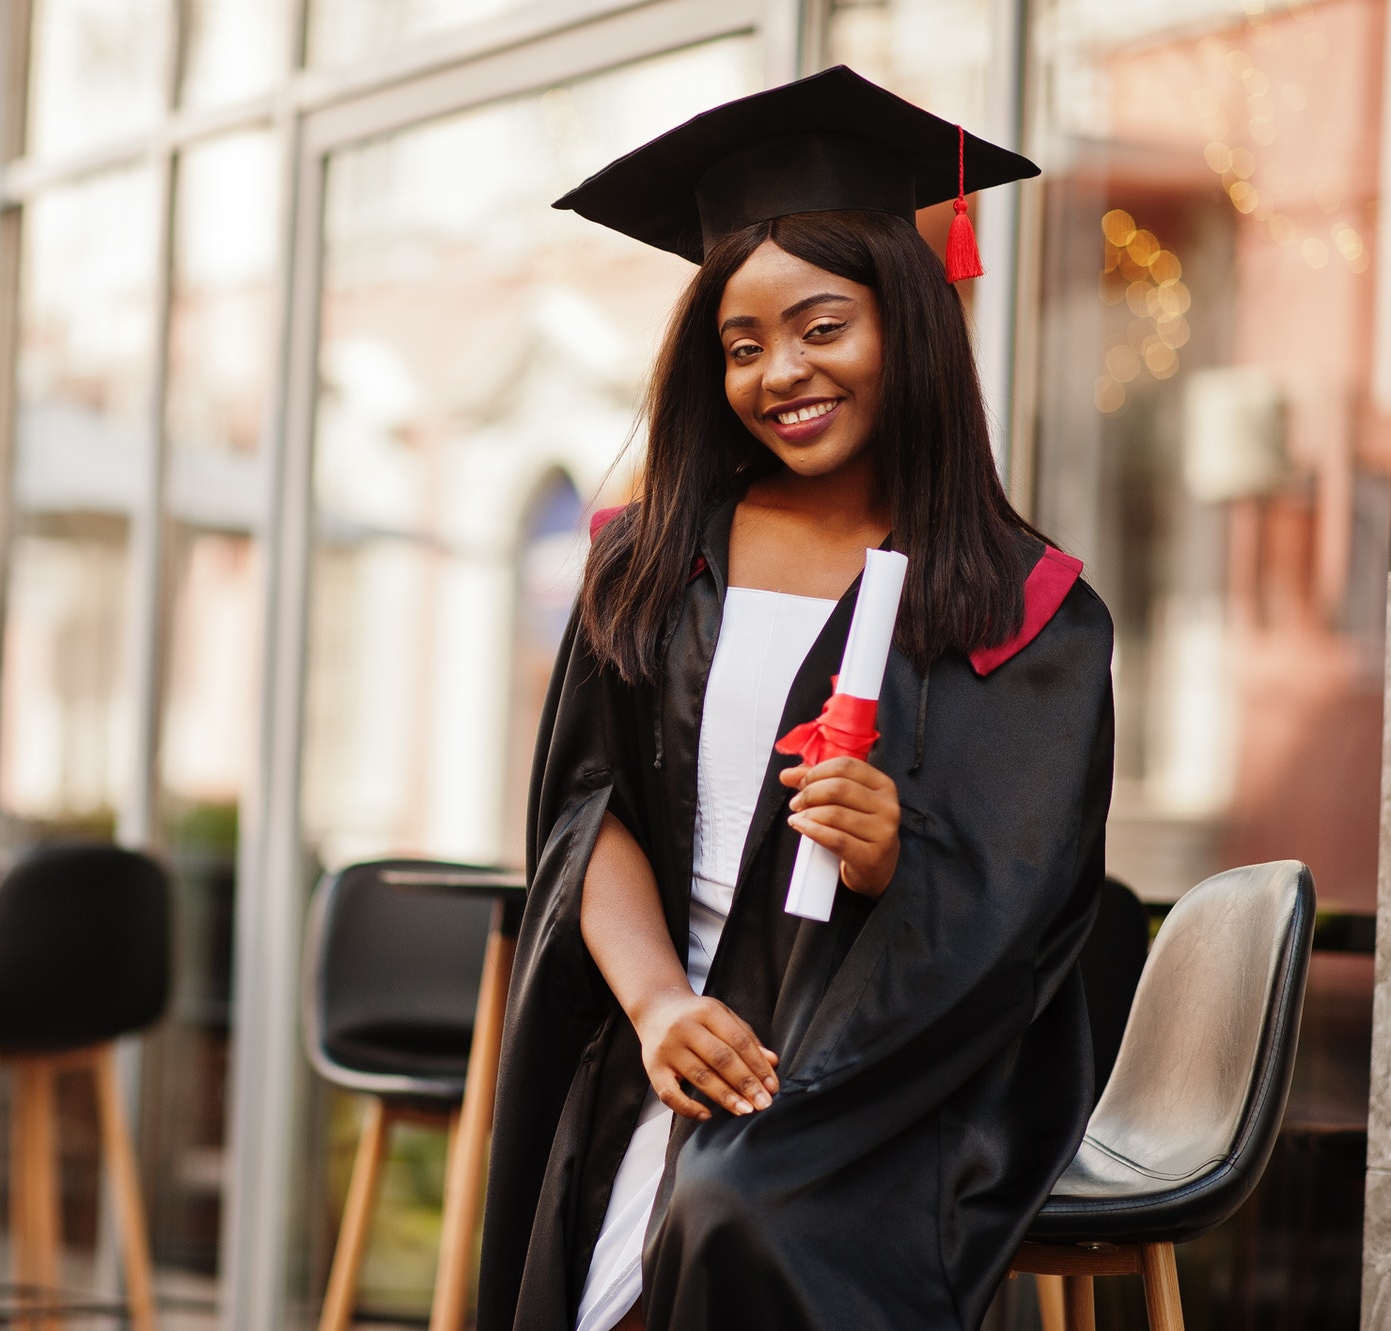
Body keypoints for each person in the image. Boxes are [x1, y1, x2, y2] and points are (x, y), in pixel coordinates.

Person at [476, 67, 1115, 1331]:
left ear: (907, 324)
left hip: (886, 1064)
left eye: (822, 326)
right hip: (661, 1021)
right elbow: (583, 822)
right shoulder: (647, 561)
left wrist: (894, 857)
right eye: (741, 343)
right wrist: (659, 1006)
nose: (780, 371)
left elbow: (1025, 909)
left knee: (735, 1211)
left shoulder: (1021, 607)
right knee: (620, 1226)